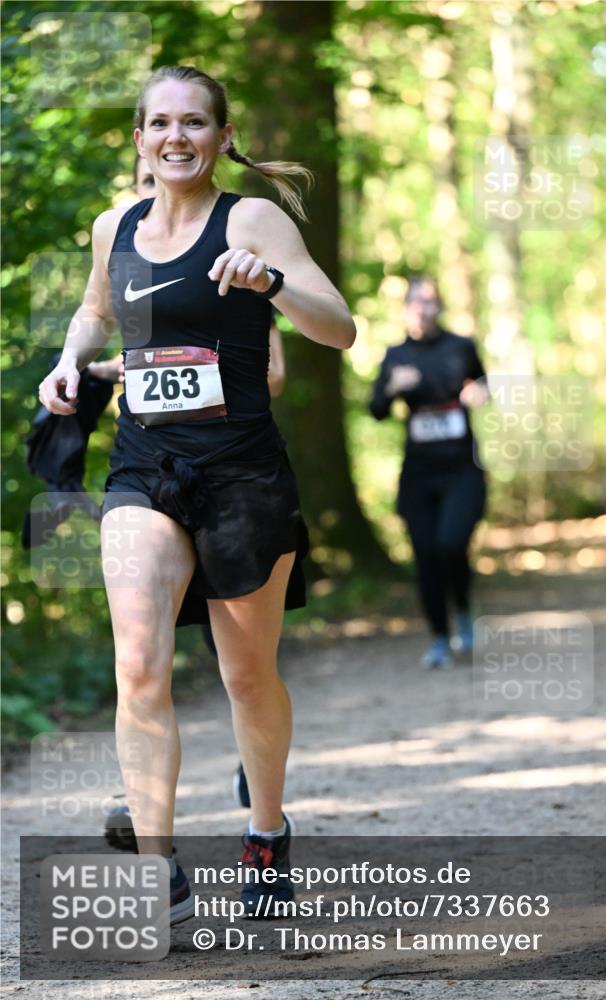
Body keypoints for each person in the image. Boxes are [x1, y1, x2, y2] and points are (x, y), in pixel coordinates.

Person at [38, 64, 355, 925]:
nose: (175, 137)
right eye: (160, 123)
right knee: (138, 665)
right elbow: (96, 311)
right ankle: (158, 871)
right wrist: (69, 362)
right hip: (144, 467)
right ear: (140, 137)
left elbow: (340, 328)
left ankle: (265, 833)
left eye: (193, 123)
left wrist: (273, 284)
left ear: (221, 135)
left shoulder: (250, 219)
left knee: (246, 676)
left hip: (241, 473)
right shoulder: (115, 226)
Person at [370, 276, 488, 669]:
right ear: (406, 308)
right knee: (425, 555)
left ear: (439, 308)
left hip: (462, 470)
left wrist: (480, 392)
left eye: (429, 302)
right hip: (419, 474)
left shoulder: (461, 347)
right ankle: (439, 638)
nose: (422, 309)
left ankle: (464, 610)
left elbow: (484, 382)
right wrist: (392, 387)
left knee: (452, 545)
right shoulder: (396, 356)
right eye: (415, 302)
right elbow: (376, 409)